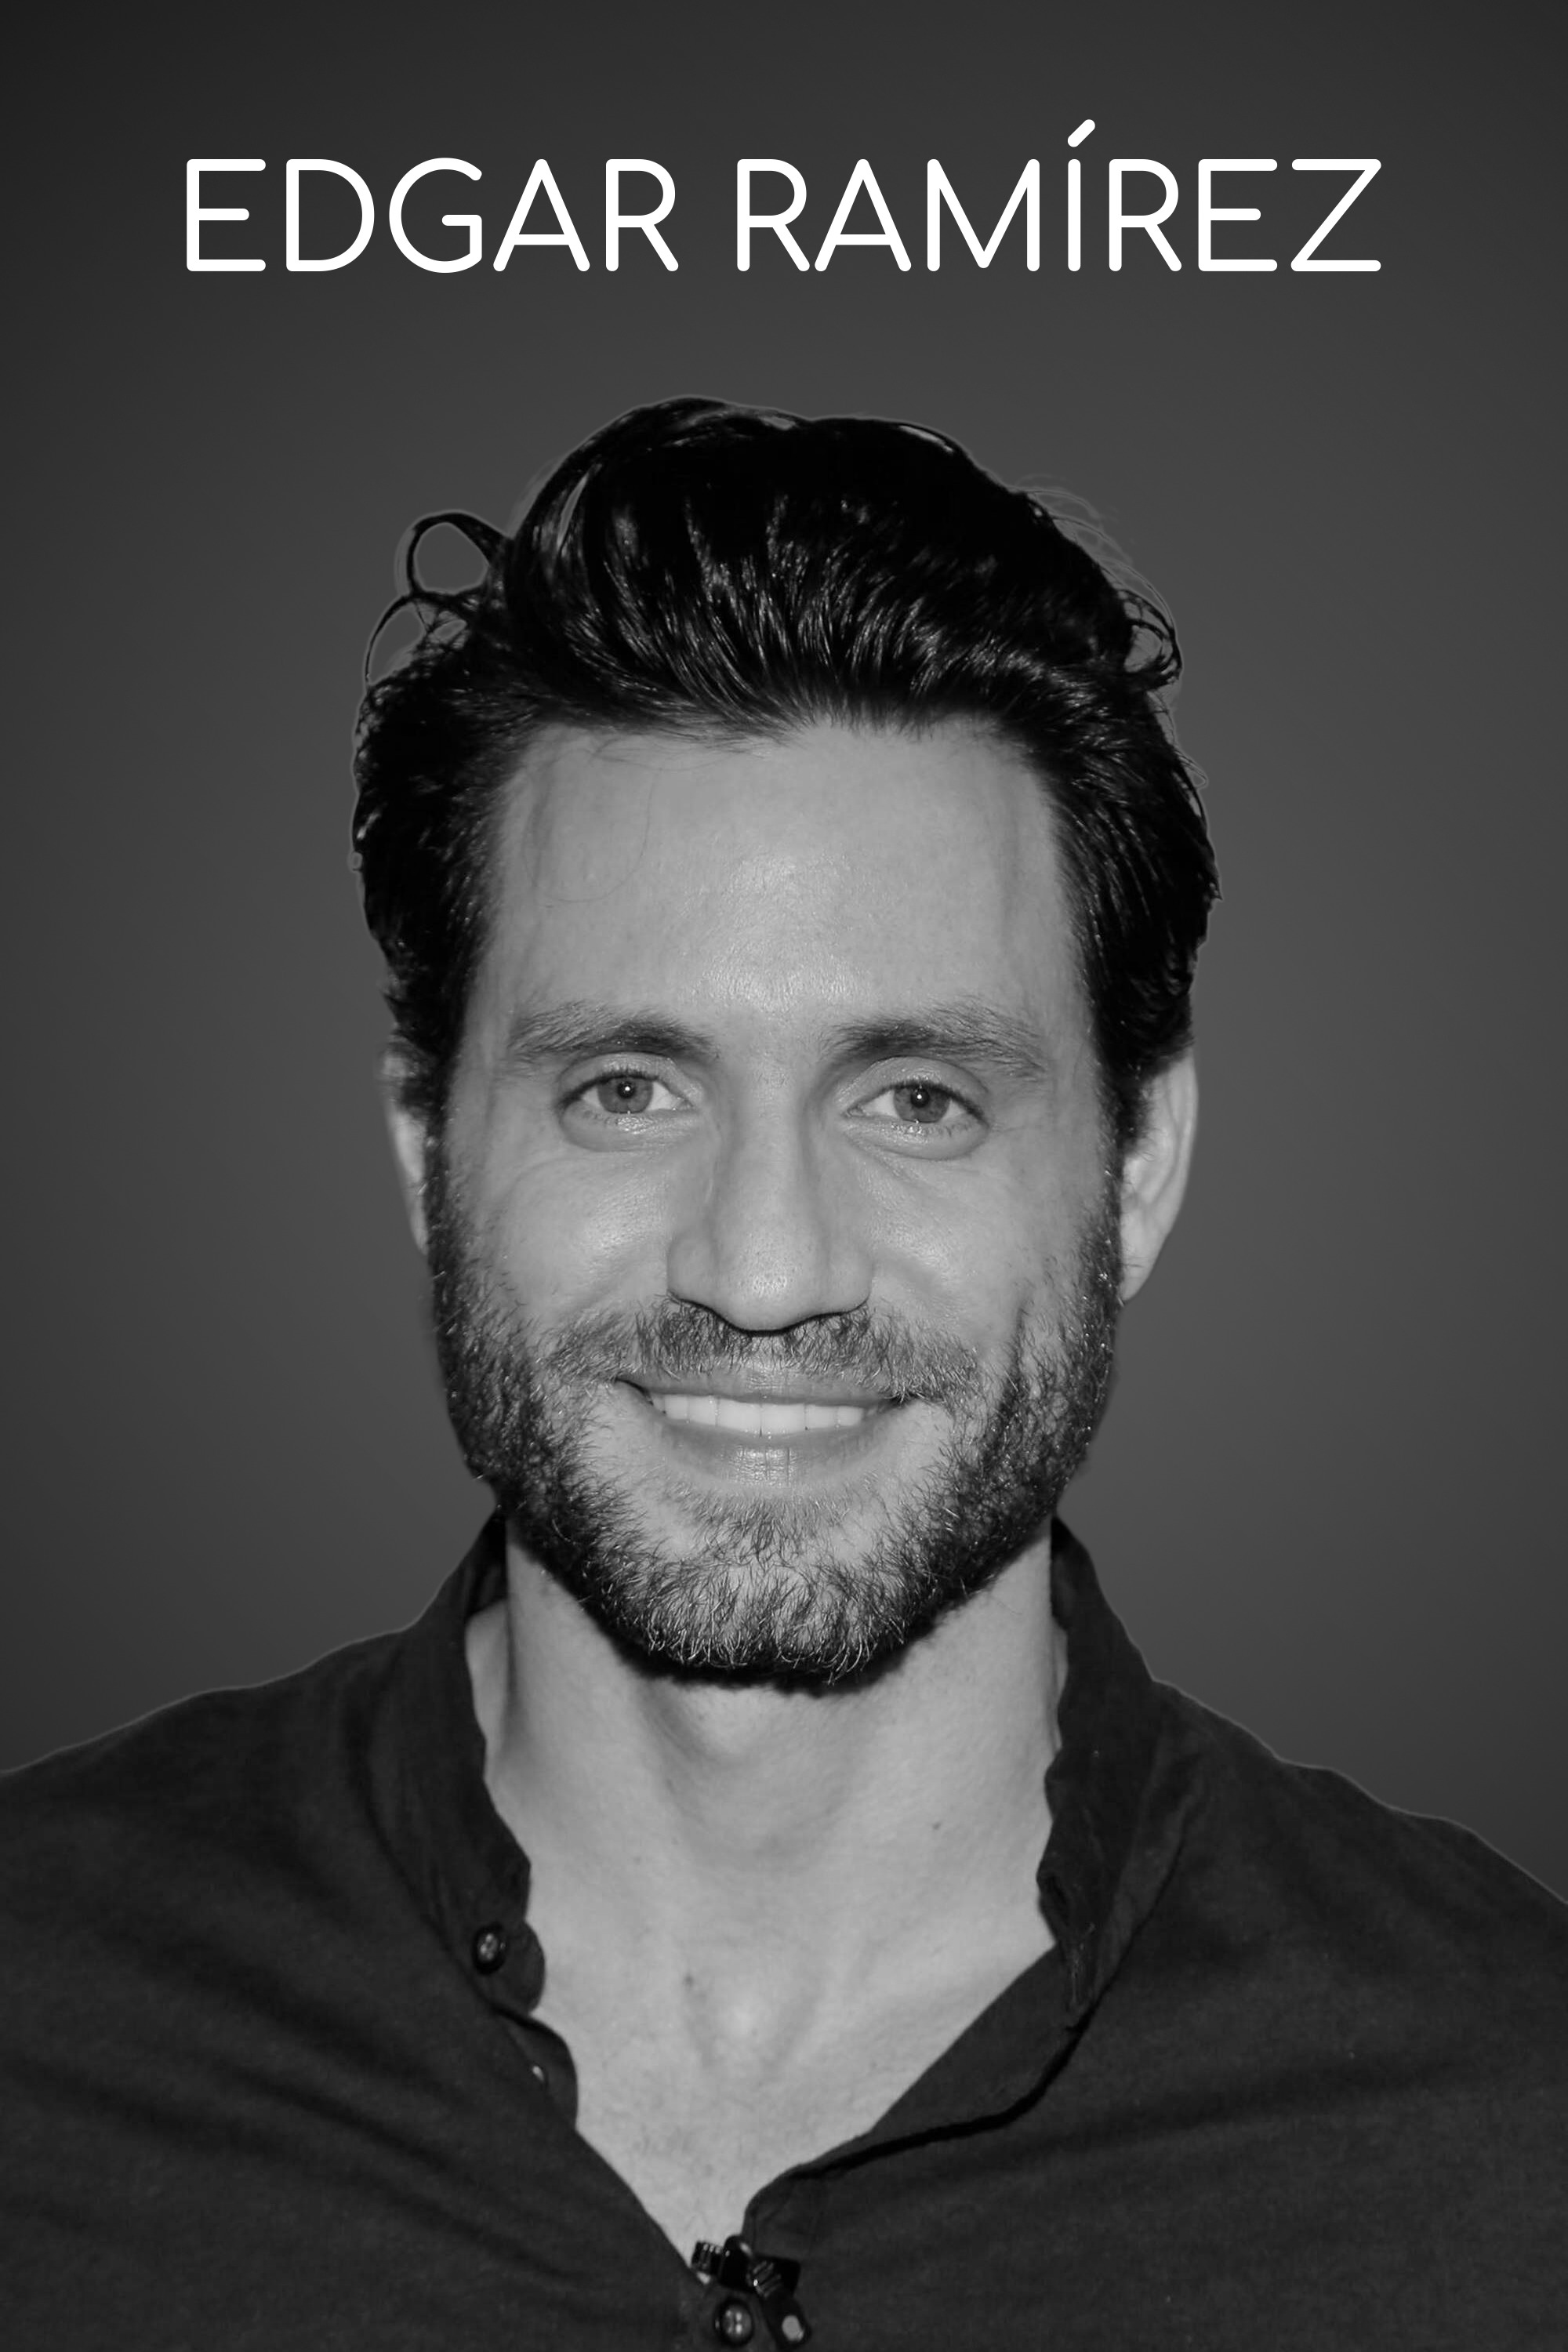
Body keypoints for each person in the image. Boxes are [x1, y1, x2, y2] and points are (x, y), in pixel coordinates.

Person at [2, 400, 1563, 2349]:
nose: (761, 1271)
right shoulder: (38, 2023)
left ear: (1137, 1166)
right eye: (624, 1088)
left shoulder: (1514, 2123)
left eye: (916, 1098)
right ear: (426, 1151)